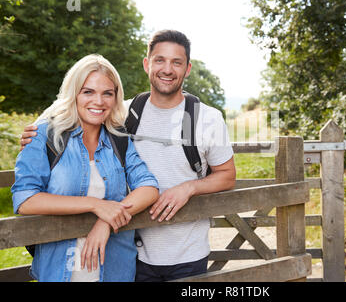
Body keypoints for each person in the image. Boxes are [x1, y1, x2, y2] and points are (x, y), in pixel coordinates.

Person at [21, 30, 236, 282]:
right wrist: (35, 131)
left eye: (176, 62)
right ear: (147, 64)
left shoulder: (208, 118)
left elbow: (227, 176)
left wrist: (189, 187)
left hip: (186, 251)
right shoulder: (125, 112)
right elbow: (76, 103)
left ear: (187, 68)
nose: (167, 69)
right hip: (135, 251)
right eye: (159, 60)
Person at [12, 54, 160, 282]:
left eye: (107, 93)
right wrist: (96, 205)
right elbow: (25, 199)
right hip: (60, 271)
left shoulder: (119, 139)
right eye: (88, 91)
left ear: (116, 97)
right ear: (74, 94)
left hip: (115, 270)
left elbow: (149, 187)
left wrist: (106, 221)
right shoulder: (44, 136)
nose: (99, 102)